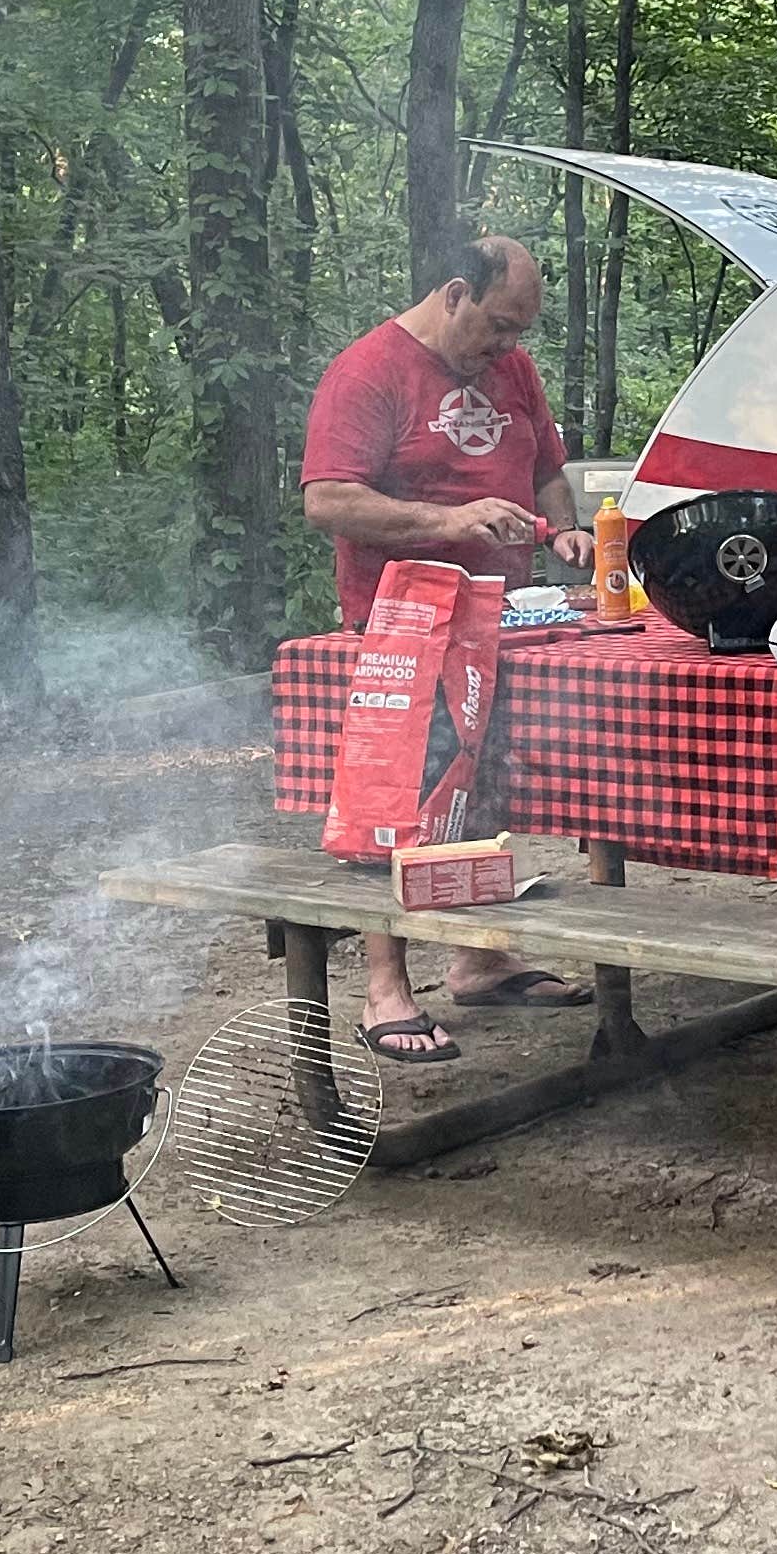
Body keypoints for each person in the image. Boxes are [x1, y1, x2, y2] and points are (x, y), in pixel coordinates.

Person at [300, 235, 600, 1064]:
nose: (508, 348)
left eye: (519, 334)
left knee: (485, 792)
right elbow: (327, 501)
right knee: (400, 804)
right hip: (403, 622)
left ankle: (479, 958)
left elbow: (545, 465)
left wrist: (566, 529)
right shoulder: (369, 370)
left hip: (499, 616)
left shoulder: (512, 370)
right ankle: (385, 990)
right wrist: (447, 524)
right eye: (499, 327)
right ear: (457, 292)